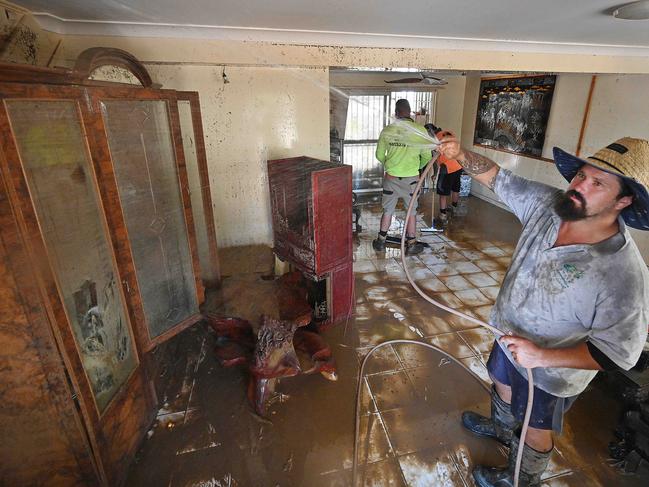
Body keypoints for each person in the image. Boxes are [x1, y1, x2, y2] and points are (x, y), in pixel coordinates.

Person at [438, 134, 649, 487]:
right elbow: (496, 177)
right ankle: (502, 428)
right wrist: (459, 154)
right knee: (502, 381)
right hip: (507, 335)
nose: (580, 185)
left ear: (624, 201)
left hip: (553, 372)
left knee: (536, 427)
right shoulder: (548, 206)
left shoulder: (622, 272)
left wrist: (541, 356)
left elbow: (619, 353)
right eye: (582, 175)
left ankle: (520, 478)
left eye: (598, 183)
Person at [372, 99, 432, 255]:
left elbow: (379, 155)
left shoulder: (387, 130)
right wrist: (415, 168)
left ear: (396, 113)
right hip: (412, 180)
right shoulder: (420, 131)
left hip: (391, 179)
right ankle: (411, 243)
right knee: (411, 211)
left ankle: (380, 241)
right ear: (410, 112)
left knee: (388, 210)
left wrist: (390, 165)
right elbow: (427, 156)